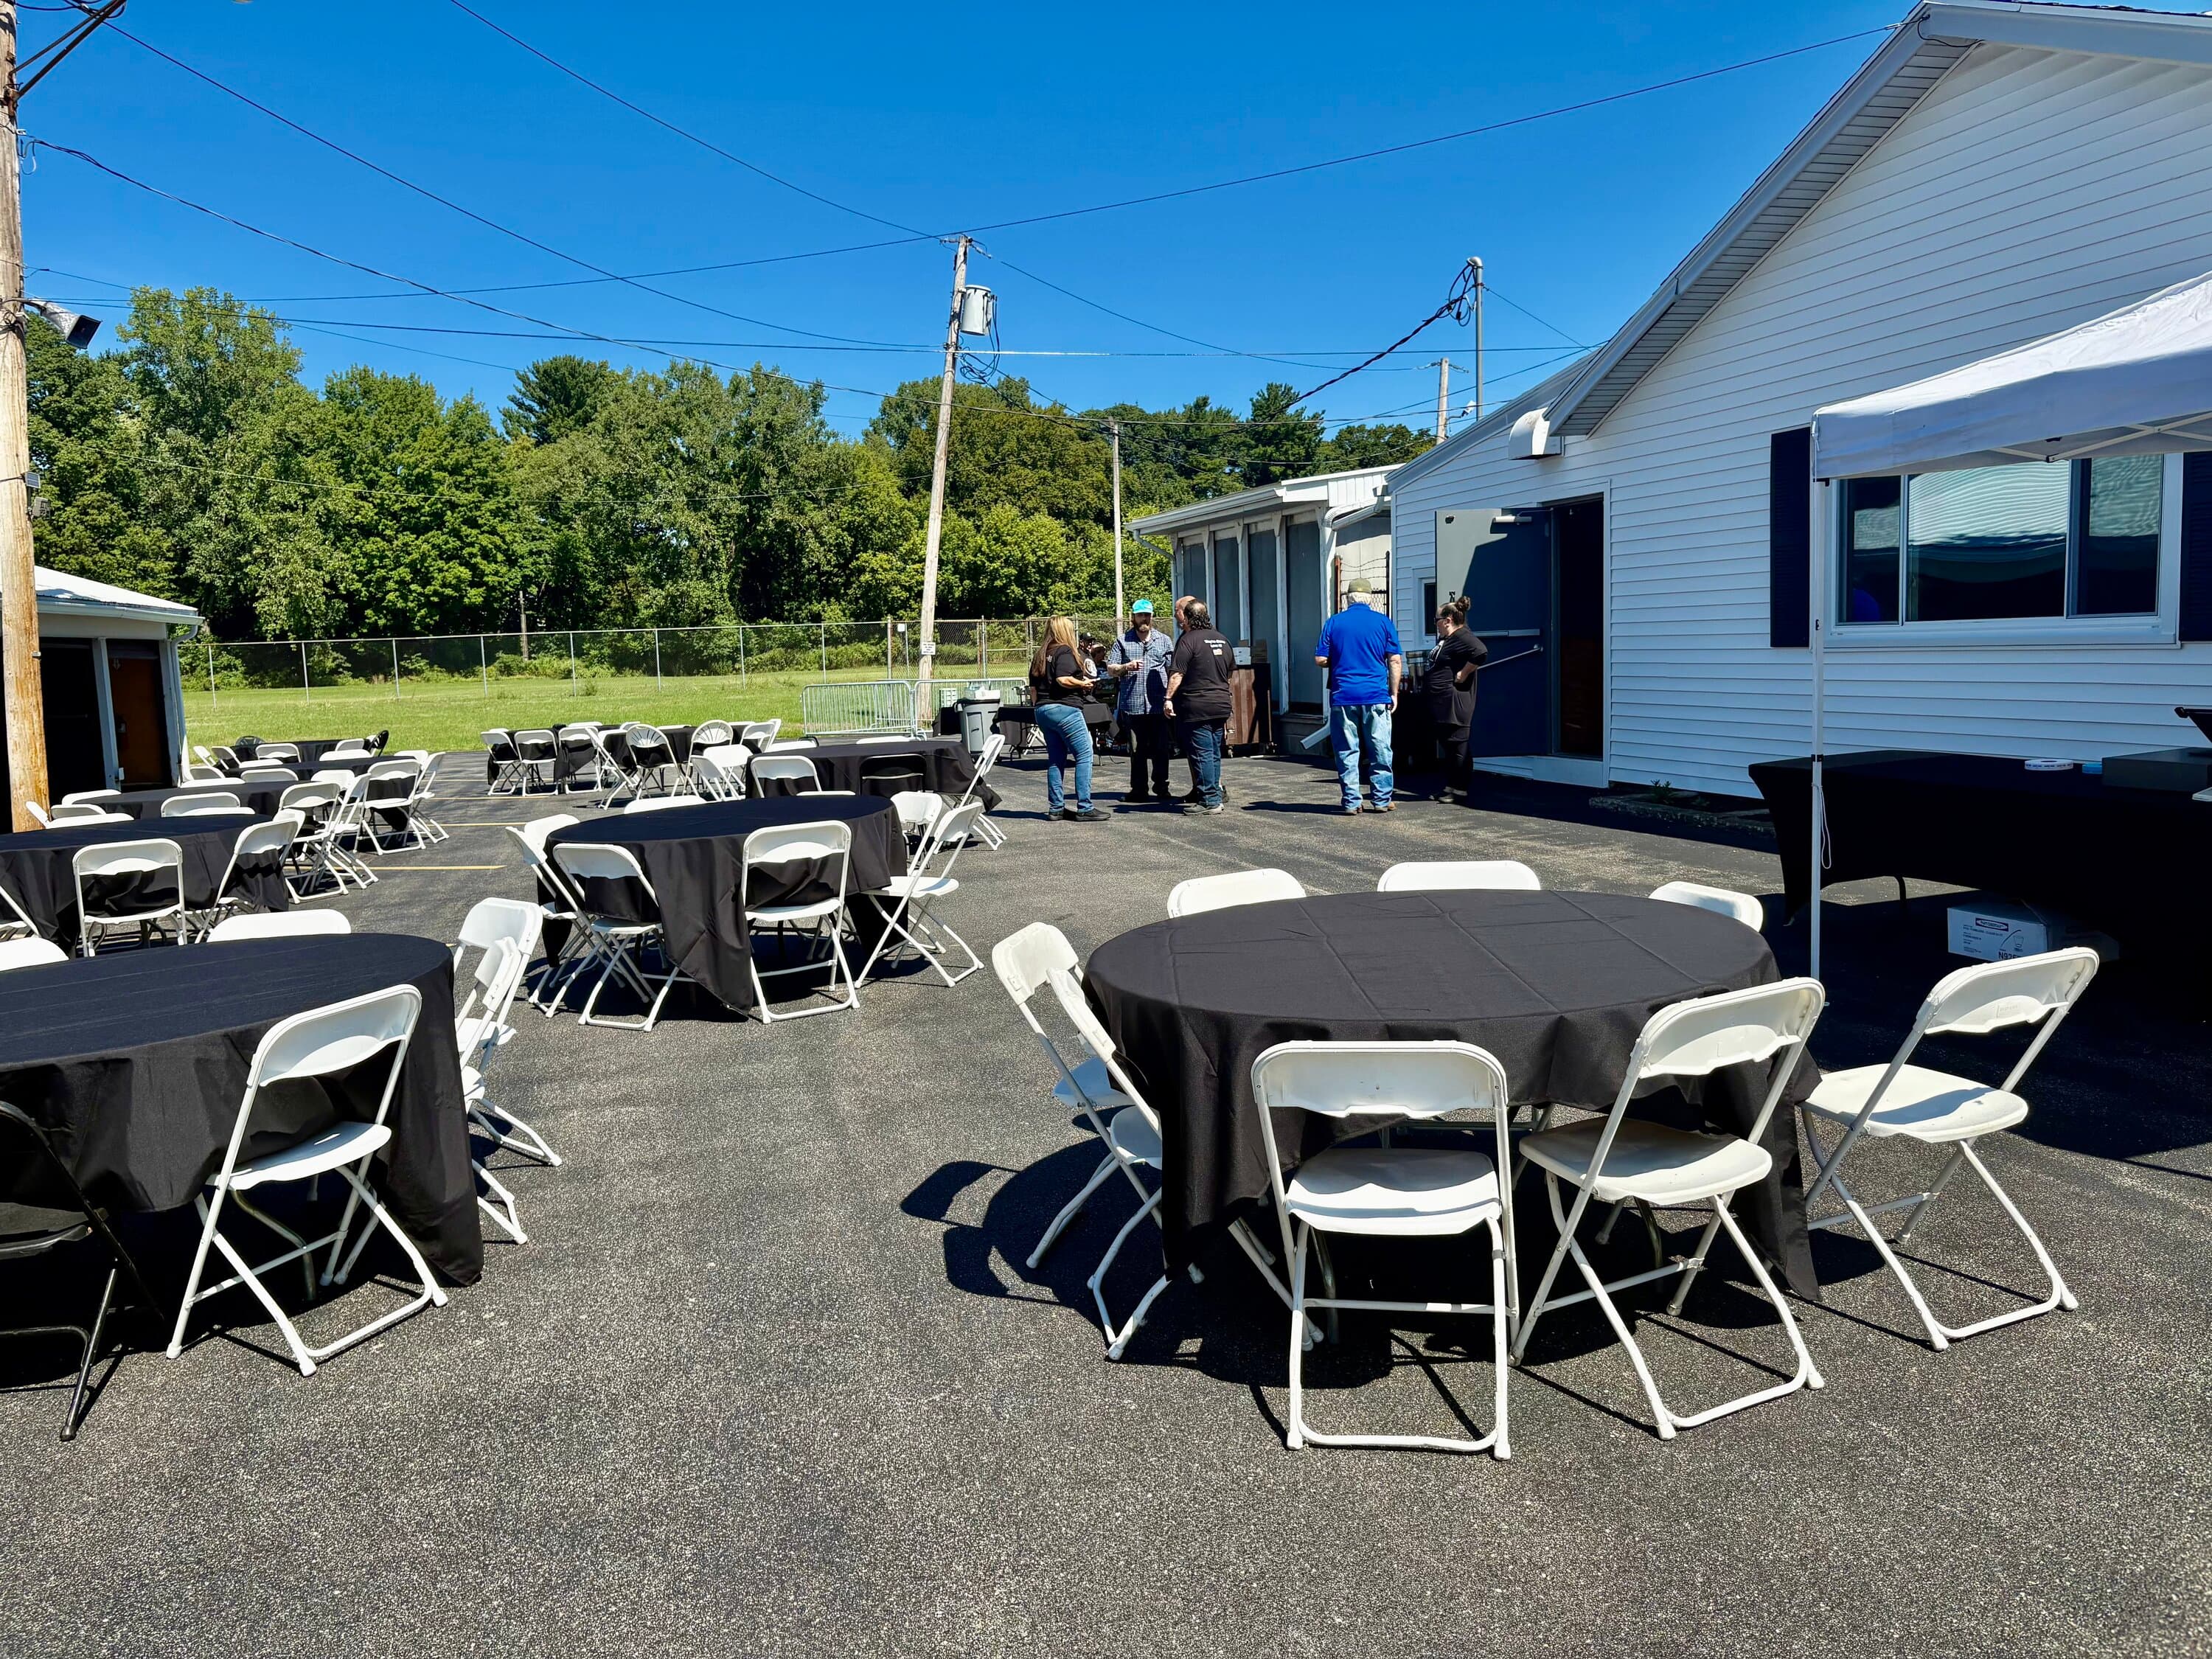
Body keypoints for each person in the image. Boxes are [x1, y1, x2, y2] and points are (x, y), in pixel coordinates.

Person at [1315, 576, 1404, 814]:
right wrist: (1393, 692)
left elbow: (1321, 659)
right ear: (1370, 598)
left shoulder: (1334, 623)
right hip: (1376, 694)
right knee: (1380, 748)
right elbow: (1395, 659)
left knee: (1347, 750)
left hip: (1343, 695)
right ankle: (1382, 799)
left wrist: (1339, 660)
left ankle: (1352, 802)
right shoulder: (1383, 622)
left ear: (1348, 599)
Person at [1029, 616, 1107, 822]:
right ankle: (1084, 807)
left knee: (1056, 759)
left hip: (1043, 710)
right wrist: (1084, 684)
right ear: (1065, 631)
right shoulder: (1064, 650)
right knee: (1084, 754)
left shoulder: (1040, 654)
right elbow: (1063, 679)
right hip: (1065, 709)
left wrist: (1038, 708)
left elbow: (1033, 689)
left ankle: (1056, 808)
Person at [1164, 599, 1233, 814]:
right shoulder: (1222, 639)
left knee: (1201, 753)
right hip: (1221, 703)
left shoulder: (1188, 640)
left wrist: (1168, 698)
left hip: (1197, 705)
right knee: (1213, 752)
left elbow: (1177, 673)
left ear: (1188, 616)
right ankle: (1214, 795)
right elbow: (1230, 672)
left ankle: (1209, 800)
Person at [1106, 599, 1175, 802]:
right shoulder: (1123, 641)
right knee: (1137, 751)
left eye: (1147, 615)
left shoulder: (1164, 640)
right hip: (1133, 705)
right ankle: (1139, 790)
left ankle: (1162, 788)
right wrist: (1126, 667)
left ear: (1152, 616)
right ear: (1133, 617)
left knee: (1161, 749)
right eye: (1140, 615)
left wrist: (1170, 698)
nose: (1144, 618)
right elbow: (1111, 669)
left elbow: (1173, 670)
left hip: (1157, 704)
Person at [1420, 594, 1487, 803]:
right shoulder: (1448, 639)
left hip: (1455, 703)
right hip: (1442, 702)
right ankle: (1450, 786)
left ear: (1447, 620)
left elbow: (1481, 652)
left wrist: (1464, 673)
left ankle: (1460, 789)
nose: (1436, 625)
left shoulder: (1462, 636)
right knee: (1449, 746)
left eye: (1437, 621)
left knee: (1458, 747)